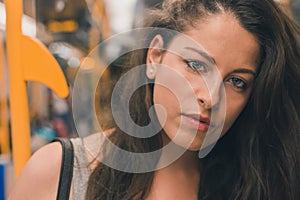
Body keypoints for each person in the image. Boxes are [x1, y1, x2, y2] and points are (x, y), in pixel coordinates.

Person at [8, 0, 300, 199]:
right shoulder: (60, 172)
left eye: (237, 81)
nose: (210, 98)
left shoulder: (258, 184)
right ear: (155, 56)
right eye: (196, 65)